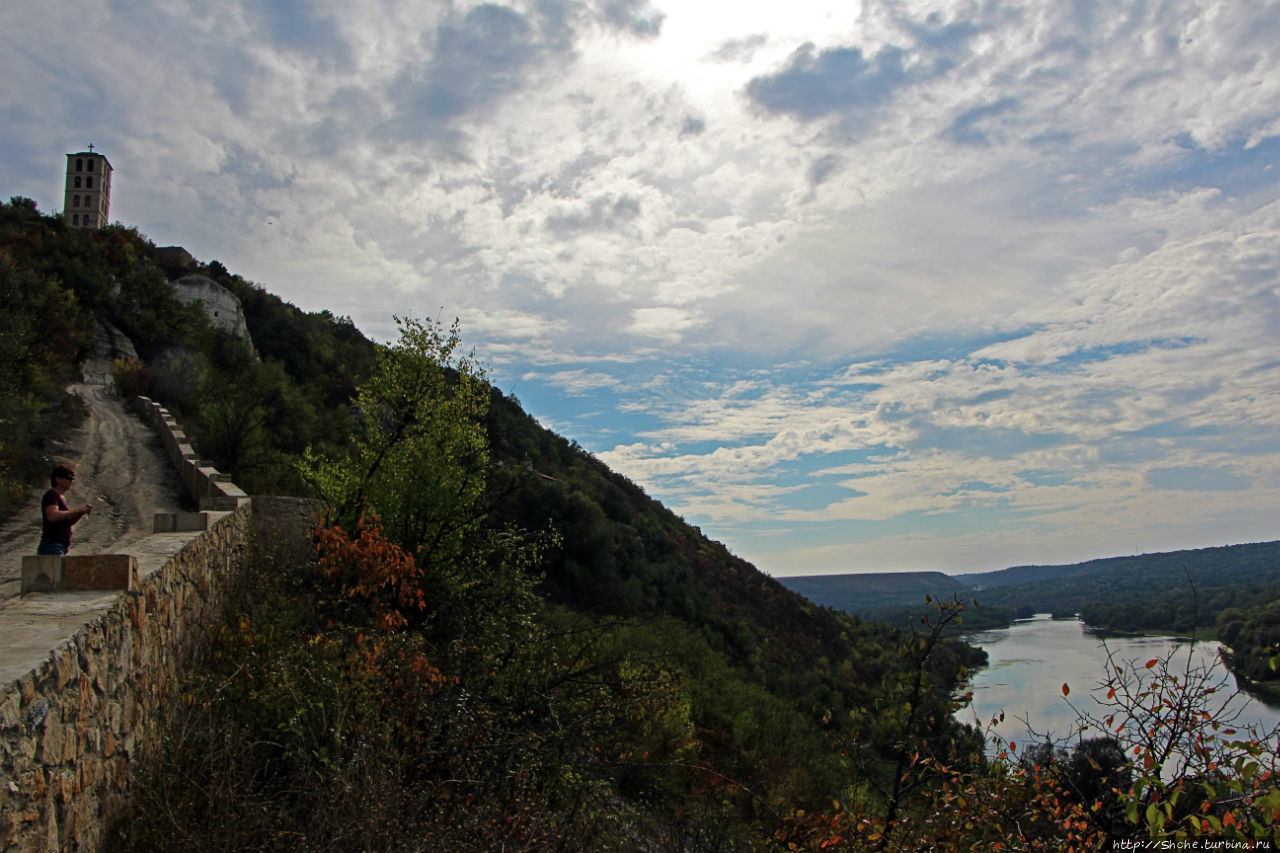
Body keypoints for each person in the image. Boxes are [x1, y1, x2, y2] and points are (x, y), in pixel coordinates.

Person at [38, 464, 92, 556]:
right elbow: (53, 516)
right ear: (58, 479)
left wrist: (80, 513)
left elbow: (66, 523)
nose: (71, 481)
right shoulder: (52, 495)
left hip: (59, 547)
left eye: (73, 479)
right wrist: (77, 510)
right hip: (52, 546)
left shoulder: (60, 497)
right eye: (68, 478)